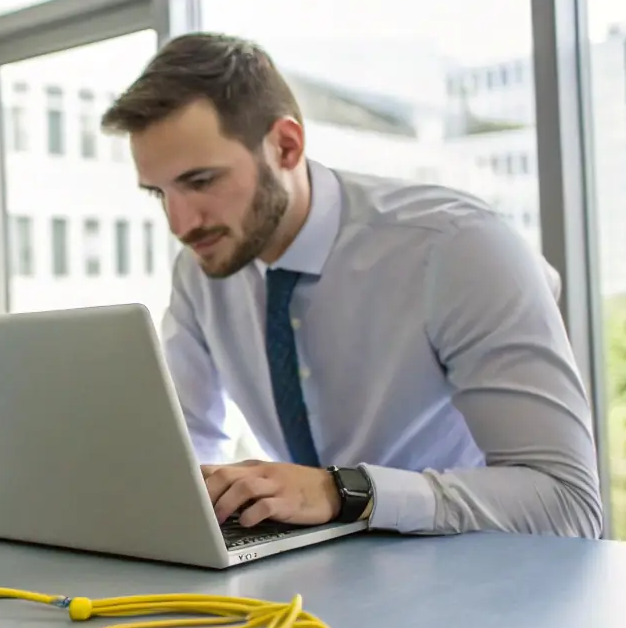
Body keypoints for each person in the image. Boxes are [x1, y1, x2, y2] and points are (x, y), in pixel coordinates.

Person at [100, 32, 602, 538]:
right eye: (158, 194)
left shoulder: (454, 246)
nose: (181, 223)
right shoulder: (203, 269)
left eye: (201, 181)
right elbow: (185, 450)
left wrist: (346, 492)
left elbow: (568, 503)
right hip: (318, 579)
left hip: (479, 572)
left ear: (286, 146)